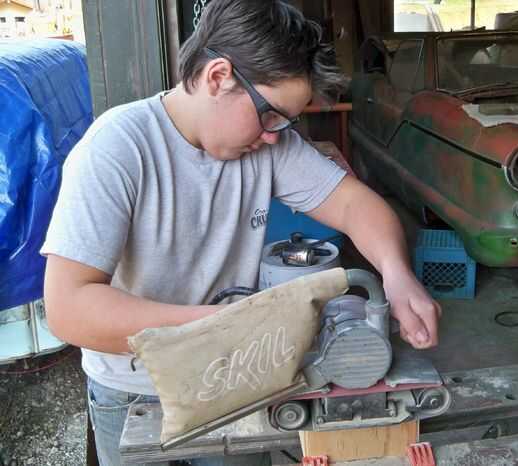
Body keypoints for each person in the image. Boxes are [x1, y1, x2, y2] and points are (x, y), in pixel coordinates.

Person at [41, 1, 442, 465]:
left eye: (286, 121)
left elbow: (356, 205)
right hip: (135, 391)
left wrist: (396, 274)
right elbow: (69, 308)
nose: (275, 134)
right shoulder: (117, 149)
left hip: (237, 378)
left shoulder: (269, 146)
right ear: (218, 77)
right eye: (270, 114)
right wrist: (222, 327)